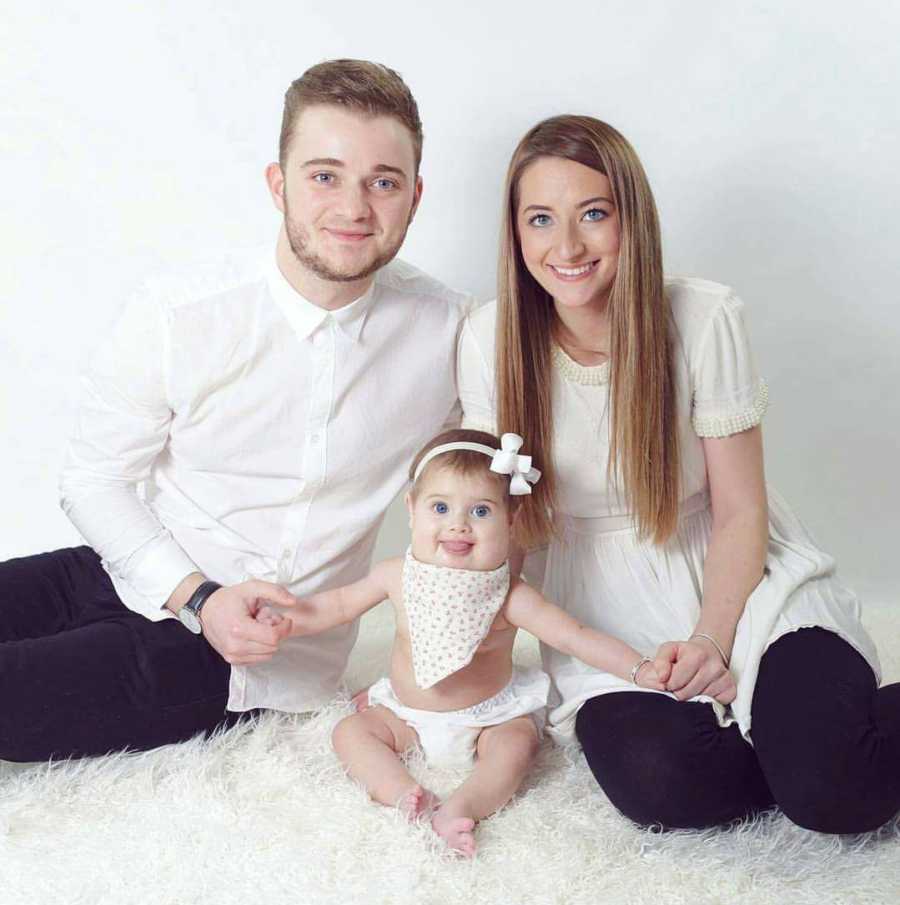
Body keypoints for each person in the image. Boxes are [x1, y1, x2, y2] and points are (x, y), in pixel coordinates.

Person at [0, 59, 473, 762]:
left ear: (414, 195)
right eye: (324, 175)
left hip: (245, 659)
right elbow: (93, 478)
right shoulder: (181, 311)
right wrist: (195, 594)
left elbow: (514, 481)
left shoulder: (451, 333)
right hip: (135, 568)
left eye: (383, 181)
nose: (353, 208)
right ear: (277, 184)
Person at [457, 114, 900, 834]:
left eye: (593, 214)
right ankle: (802, 743)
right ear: (515, 232)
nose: (566, 246)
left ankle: (813, 748)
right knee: (665, 785)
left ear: (631, 218)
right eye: (540, 219)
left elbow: (740, 511)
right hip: (601, 618)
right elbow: (493, 521)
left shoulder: (702, 316)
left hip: (743, 583)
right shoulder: (488, 337)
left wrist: (710, 640)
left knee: (832, 792)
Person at [258, 428, 667, 856]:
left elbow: (576, 637)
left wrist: (639, 668)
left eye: (481, 511)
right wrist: (287, 621)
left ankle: (462, 806)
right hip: (407, 714)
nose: (458, 524)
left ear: (511, 520)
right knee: (350, 731)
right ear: (412, 510)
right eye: (440, 507)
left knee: (516, 746)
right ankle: (402, 792)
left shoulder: (511, 594)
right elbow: (337, 605)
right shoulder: (395, 575)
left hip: (487, 717)